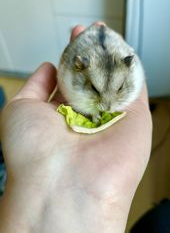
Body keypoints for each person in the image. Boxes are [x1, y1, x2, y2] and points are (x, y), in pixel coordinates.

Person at [0, 24, 152, 233]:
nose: (108, 105)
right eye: (94, 89)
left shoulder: (129, 67)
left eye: (118, 89)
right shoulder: (76, 69)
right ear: (79, 68)